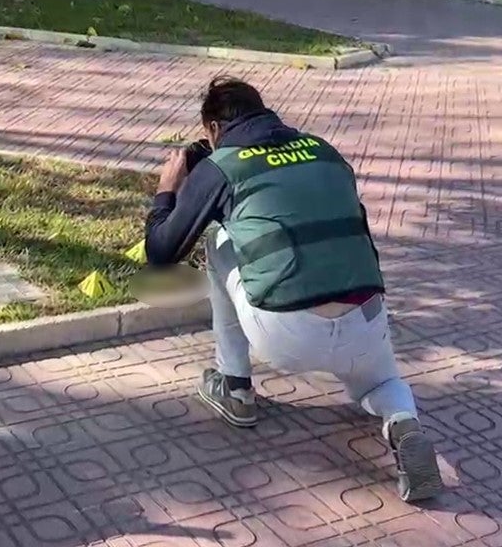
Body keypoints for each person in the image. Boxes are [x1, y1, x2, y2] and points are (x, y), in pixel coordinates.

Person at [144, 76, 443, 503]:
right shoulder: (325, 151)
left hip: (287, 331)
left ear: (212, 130)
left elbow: (161, 251)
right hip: (365, 317)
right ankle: (401, 421)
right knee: (382, 381)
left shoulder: (222, 165)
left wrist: (167, 189)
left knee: (220, 241)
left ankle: (236, 388)